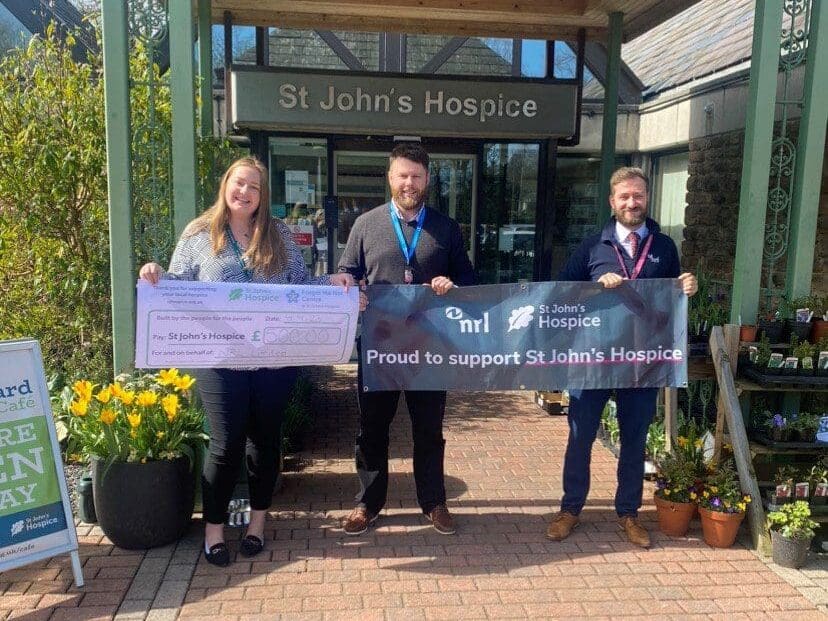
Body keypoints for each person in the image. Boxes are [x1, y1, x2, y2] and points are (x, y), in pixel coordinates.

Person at [139, 157, 355, 566]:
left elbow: (302, 285)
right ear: (226, 186)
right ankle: (215, 531)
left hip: (274, 362)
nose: (245, 192)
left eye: (253, 187)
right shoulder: (200, 234)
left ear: (262, 195)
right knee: (224, 445)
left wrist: (333, 282)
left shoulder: (280, 236)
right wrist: (156, 274)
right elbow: (180, 284)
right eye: (239, 184)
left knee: (264, 444)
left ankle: (257, 525)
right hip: (220, 361)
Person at [548, 166, 698, 548]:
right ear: (612, 202)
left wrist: (685, 287)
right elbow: (563, 292)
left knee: (634, 440)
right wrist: (595, 287)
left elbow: (668, 302)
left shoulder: (664, 247)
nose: (632, 203)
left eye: (639, 196)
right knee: (580, 439)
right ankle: (570, 509)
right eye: (625, 197)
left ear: (647, 199)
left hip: (642, 364)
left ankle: (629, 514)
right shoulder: (592, 246)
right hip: (592, 360)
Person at [338, 143, 475, 536]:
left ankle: (434, 502)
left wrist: (453, 284)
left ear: (427, 179)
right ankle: (368, 503)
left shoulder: (446, 228)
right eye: (402, 175)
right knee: (372, 428)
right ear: (390, 178)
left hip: (430, 348)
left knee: (429, 429)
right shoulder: (366, 224)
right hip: (379, 346)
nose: (409, 183)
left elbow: (468, 279)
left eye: (416, 176)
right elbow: (346, 272)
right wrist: (354, 289)